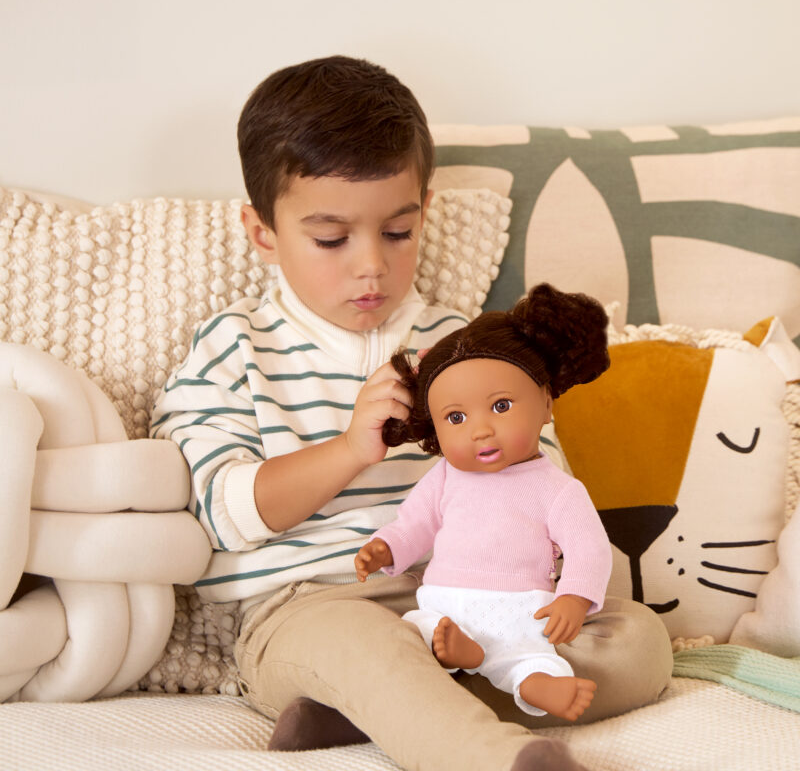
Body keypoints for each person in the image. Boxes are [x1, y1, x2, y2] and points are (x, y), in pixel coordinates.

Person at [151, 55, 673, 771]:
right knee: (367, 649)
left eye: (397, 232)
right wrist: (348, 451)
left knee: (640, 643)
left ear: (424, 208)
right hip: (311, 608)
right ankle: (496, 756)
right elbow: (222, 514)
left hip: (474, 603)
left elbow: (545, 483)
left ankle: (367, 712)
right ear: (262, 230)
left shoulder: (464, 342)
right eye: (332, 239)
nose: (371, 265)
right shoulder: (234, 347)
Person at [355, 283, 612, 722]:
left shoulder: (558, 489)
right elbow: (414, 523)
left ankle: (539, 684)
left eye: (501, 406)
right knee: (414, 629)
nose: (480, 430)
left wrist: (574, 596)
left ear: (547, 403)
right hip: (445, 606)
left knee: (528, 655)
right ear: (435, 430)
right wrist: (385, 547)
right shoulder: (445, 477)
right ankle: (464, 654)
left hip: (519, 608)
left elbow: (590, 549)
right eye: (456, 418)